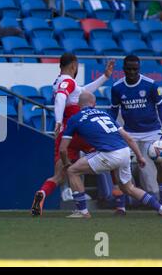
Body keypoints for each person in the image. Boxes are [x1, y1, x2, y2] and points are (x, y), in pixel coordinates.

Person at [60, 91, 162, 218]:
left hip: (108, 154)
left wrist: (66, 164)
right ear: (95, 104)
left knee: (72, 171)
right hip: (125, 152)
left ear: (78, 104)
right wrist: (140, 156)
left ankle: (83, 212)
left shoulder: (75, 118)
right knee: (129, 188)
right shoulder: (105, 115)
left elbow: (63, 149)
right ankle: (161, 208)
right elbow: (128, 138)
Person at [31, 53, 115, 216]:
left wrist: (104, 77)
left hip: (64, 135)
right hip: (79, 130)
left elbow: (83, 92)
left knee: (59, 176)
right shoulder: (67, 82)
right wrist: (57, 120)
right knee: (110, 152)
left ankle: (42, 193)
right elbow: (61, 98)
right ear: (74, 66)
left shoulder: (60, 81)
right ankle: (118, 195)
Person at [109, 55, 162, 212]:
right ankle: (121, 205)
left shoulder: (150, 85)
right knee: (122, 165)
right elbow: (113, 110)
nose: (132, 72)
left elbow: (161, 106)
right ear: (123, 69)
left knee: (161, 164)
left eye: (135, 69)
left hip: (152, 131)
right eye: (129, 69)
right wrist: (109, 129)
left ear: (139, 69)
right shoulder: (117, 88)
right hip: (130, 133)